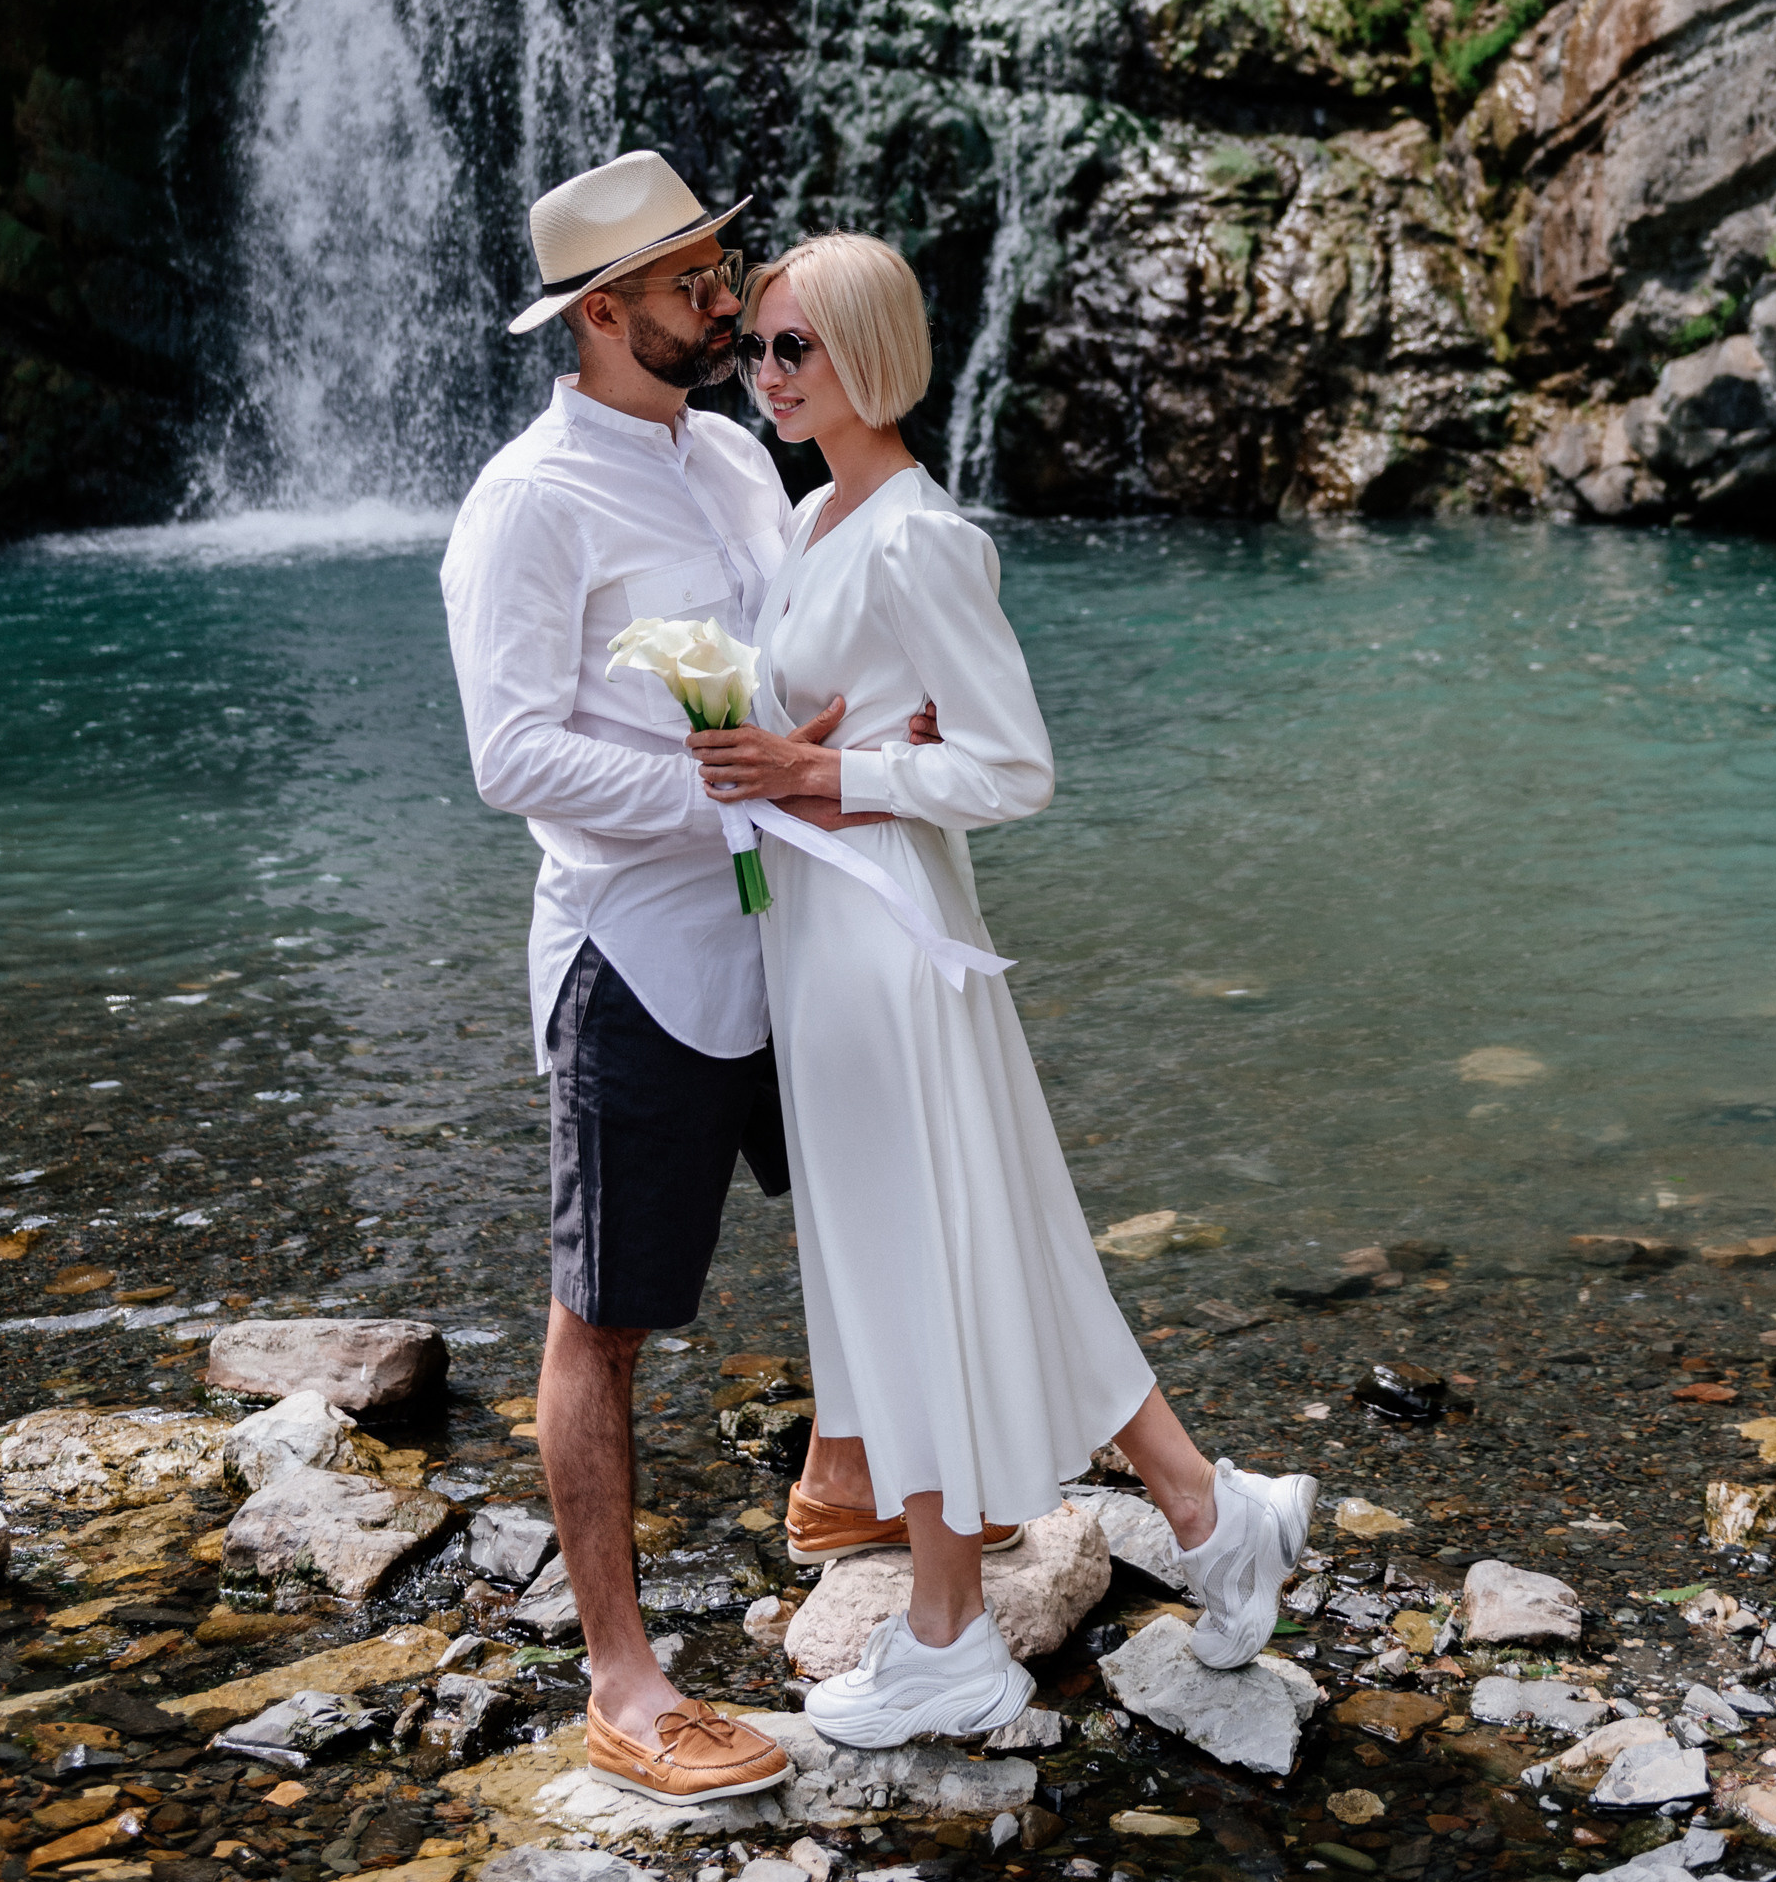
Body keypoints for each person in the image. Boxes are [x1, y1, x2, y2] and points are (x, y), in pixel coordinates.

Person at [690, 234, 1314, 1746]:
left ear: (871, 353)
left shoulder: (915, 534)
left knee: (921, 1268)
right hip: (823, 943)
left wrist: (829, 768)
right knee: (958, 1258)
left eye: (796, 348)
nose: (766, 373)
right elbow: (828, 737)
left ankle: (952, 1632)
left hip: (891, 954)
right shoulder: (819, 513)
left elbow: (1015, 767)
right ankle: (1205, 1515)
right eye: (757, 347)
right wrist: (781, 747)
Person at [441, 149, 821, 1809]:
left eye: (723, 271)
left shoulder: (736, 454)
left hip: (792, 929)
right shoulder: (529, 500)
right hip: (637, 955)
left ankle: (858, 1509)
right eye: (693, 285)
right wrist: (724, 791)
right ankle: (624, 1681)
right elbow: (507, 752)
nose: (729, 303)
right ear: (601, 314)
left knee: (878, 1209)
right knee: (604, 1322)